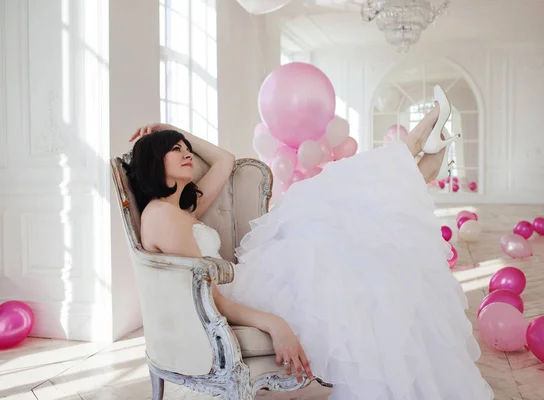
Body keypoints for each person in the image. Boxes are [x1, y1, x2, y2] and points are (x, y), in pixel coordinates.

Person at [125, 86, 494, 400]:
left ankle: (418, 157)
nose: (187, 152)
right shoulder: (163, 216)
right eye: (175, 149)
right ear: (155, 162)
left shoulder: (183, 207)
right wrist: (273, 323)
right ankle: (421, 158)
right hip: (241, 295)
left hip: (249, 274)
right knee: (336, 230)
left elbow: (226, 160)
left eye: (183, 145)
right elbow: (208, 296)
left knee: (327, 207)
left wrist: (171, 128)